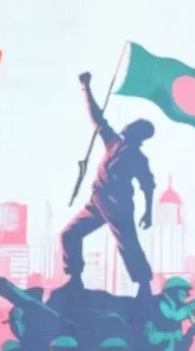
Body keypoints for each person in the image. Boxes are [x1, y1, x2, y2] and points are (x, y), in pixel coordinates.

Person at [60, 71, 156, 297]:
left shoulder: (137, 157)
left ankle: (144, 285)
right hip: (98, 202)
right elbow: (98, 119)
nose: (128, 125)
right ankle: (74, 278)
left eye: (134, 126)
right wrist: (86, 87)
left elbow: (148, 186)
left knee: (127, 244)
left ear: (139, 134)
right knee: (69, 234)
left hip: (118, 205)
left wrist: (149, 212)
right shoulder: (113, 142)